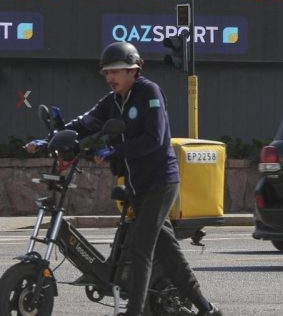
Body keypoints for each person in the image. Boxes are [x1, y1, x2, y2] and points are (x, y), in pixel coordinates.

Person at [25, 42, 221, 316]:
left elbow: (155, 138)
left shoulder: (149, 93)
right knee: (168, 253)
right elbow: (84, 123)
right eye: (106, 72)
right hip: (136, 185)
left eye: (115, 71)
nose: (110, 78)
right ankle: (207, 309)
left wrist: (116, 150)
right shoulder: (112, 101)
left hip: (160, 182)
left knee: (141, 249)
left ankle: (134, 312)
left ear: (134, 70)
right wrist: (49, 140)